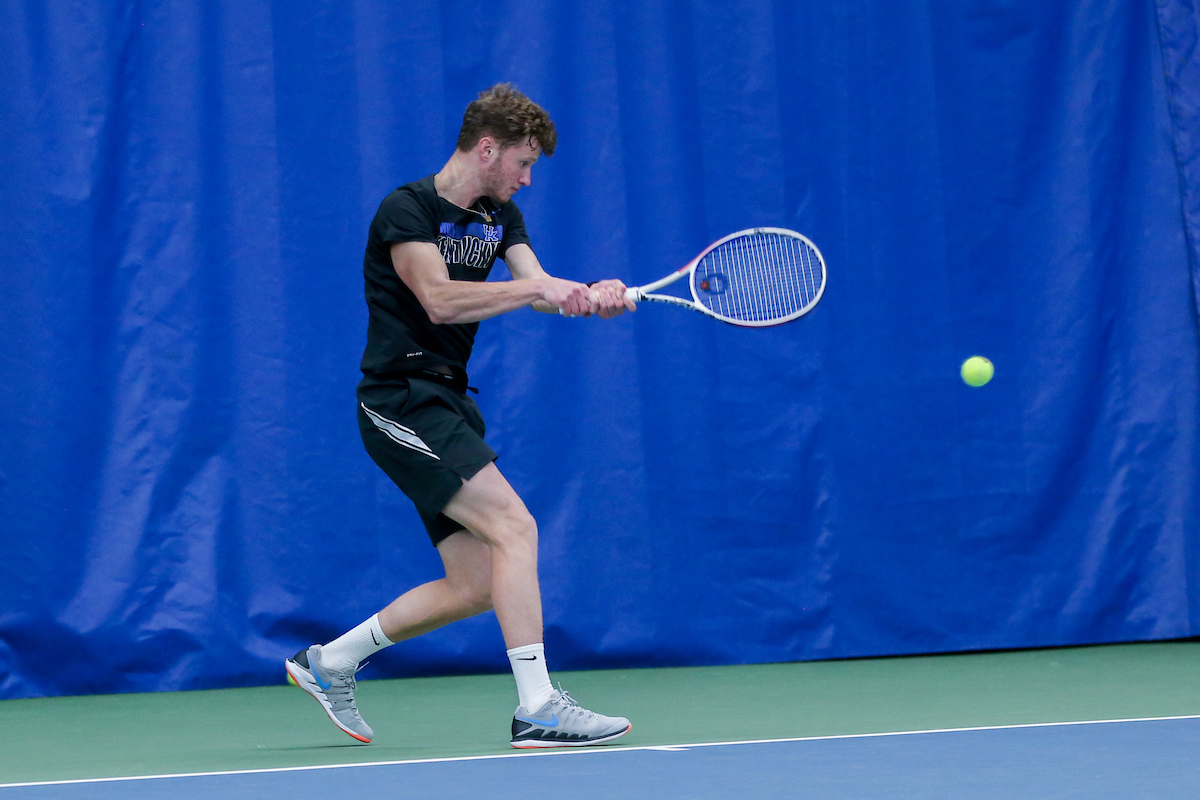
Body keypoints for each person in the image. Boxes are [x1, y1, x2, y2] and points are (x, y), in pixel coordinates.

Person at [285, 83, 636, 748]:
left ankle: (329, 662)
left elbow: (539, 290)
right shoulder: (407, 208)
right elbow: (440, 301)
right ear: (487, 148)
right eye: (523, 163)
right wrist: (538, 287)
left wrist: (591, 295)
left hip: (448, 401)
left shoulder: (500, 216)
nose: (527, 179)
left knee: (477, 583)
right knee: (515, 527)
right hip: (399, 400)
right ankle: (539, 708)